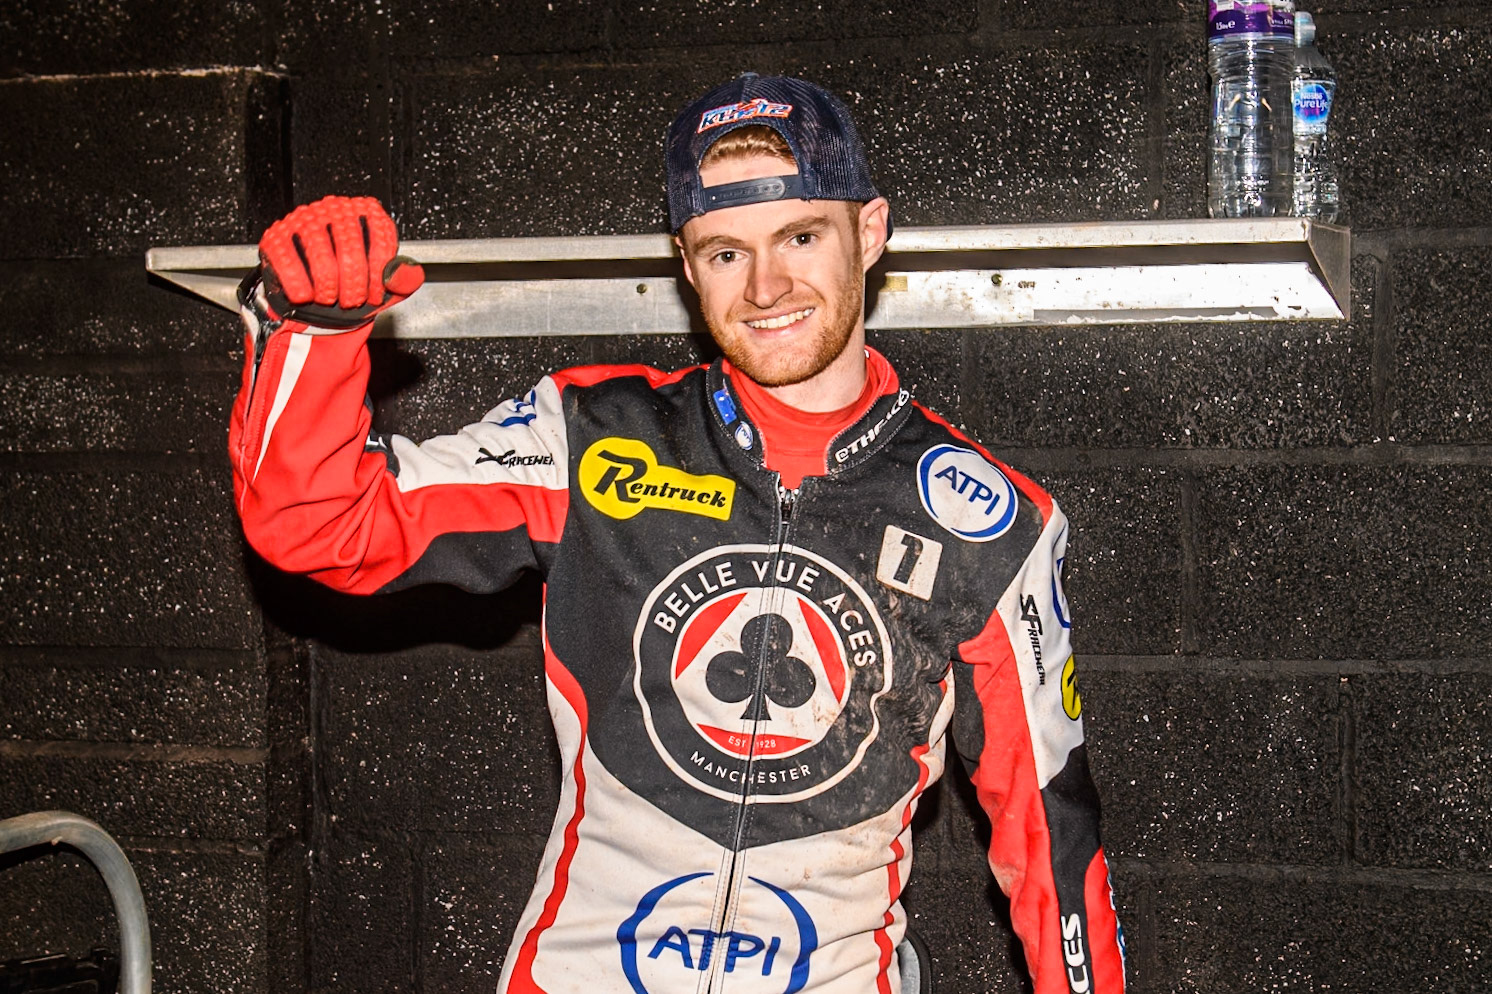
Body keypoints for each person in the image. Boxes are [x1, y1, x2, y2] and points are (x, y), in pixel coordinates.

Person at [230, 73, 1126, 994]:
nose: (767, 286)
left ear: (869, 232)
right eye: (726, 252)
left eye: (802, 237)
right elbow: (322, 529)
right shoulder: (588, 437)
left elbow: (1051, 838)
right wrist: (311, 340)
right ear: (686, 265)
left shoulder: (991, 521)